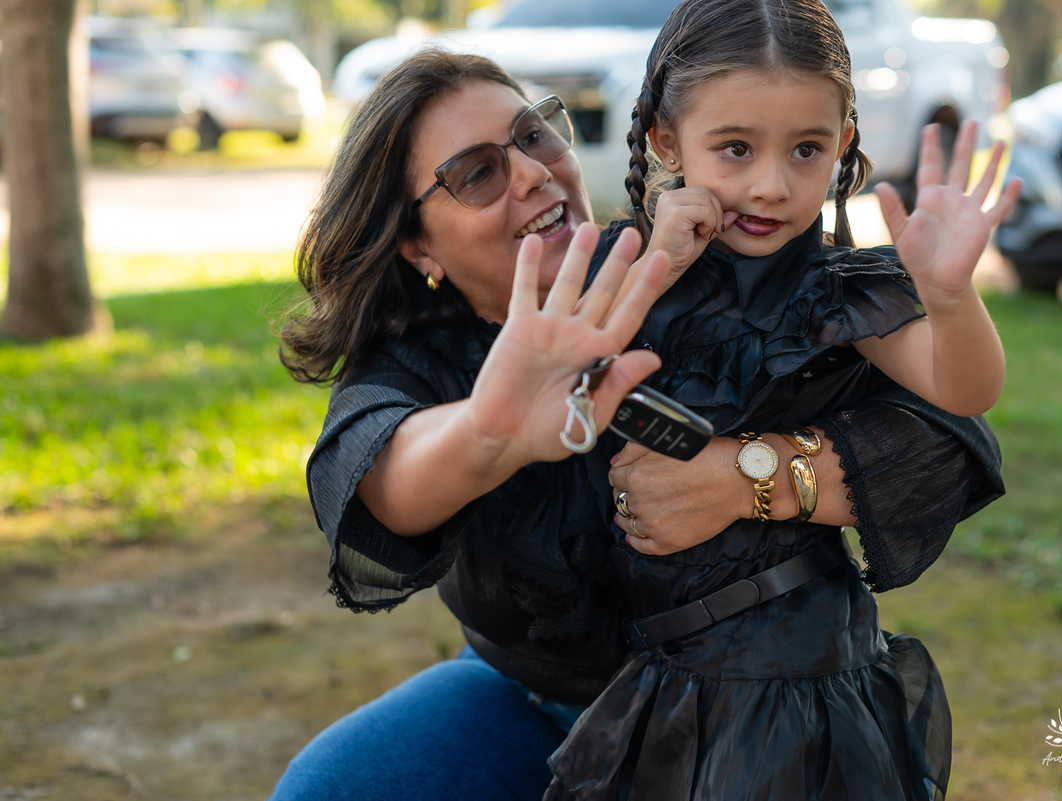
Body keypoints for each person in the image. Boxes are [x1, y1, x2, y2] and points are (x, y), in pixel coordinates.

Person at [271, 50, 1004, 801]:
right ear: (418, 244)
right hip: (532, 703)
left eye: (531, 135)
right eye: (476, 173)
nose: (528, 172)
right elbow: (377, 475)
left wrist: (752, 475)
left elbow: (952, 438)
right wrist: (493, 429)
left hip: (737, 713)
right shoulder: (420, 357)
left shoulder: (695, 264)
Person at [542, 1, 1021, 799]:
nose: (771, 185)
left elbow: (965, 388)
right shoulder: (620, 270)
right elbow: (563, 395)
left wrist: (948, 294)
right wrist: (657, 263)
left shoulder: (832, 292)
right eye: (734, 148)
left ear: (843, 146)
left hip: (790, 680)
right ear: (666, 140)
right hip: (665, 670)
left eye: (807, 149)